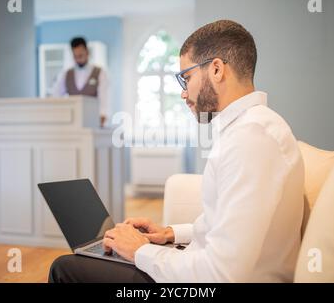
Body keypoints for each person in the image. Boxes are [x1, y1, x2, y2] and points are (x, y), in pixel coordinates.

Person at [49, 20, 304, 283]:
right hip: (198, 265)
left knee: (65, 268)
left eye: (187, 77)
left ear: (216, 69)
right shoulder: (251, 128)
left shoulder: (251, 139)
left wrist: (140, 250)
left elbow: (221, 274)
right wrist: (170, 234)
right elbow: (224, 228)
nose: (183, 93)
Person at [52, 37, 110, 127]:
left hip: (93, 121)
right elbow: (56, 96)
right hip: (72, 121)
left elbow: (103, 97)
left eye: (80, 55)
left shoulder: (99, 73)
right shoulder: (66, 74)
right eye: (75, 56)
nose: (78, 59)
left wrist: (102, 115)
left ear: (87, 52)